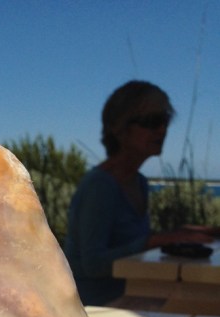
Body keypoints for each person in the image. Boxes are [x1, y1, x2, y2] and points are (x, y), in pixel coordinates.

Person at [64, 80, 213, 305]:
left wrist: (190, 232)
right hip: (99, 306)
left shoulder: (139, 182)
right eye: (151, 122)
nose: (162, 130)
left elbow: (133, 244)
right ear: (119, 128)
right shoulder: (100, 186)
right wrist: (156, 240)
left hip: (134, 291)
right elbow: (92, 266)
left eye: (164, 120)